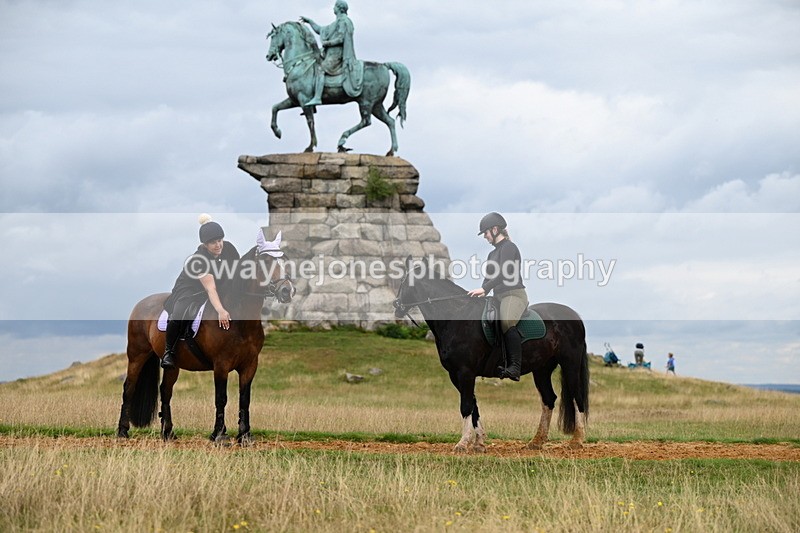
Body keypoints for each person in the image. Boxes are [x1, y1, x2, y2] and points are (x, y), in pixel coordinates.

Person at [160, 214, 240, 369]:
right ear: (204, 244)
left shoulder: (228, 248)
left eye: (220, 240)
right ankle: (169, 351)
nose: (218, 245)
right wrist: (221, 311)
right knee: (180, 311)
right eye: (213, 243)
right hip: (189, 290)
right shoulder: (199, 260)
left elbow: (239, 271)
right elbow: (210, 289)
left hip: (217, 286)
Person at [468, 212, 528, 381]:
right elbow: (488, 278)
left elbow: (506, 272)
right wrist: (481, 292)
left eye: (486, 233)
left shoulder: (509, 247)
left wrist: (485, 288)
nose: (485, 237)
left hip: (513, 295)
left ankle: (515, 367)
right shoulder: (491, 255)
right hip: (497, 296)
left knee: (507, 321)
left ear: (495, 230)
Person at [300, 0, 363, 105]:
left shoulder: (344, 21)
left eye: (334, 6)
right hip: (331, 54)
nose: (333, 8)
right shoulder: (336, 23)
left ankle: (317, 97)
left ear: (339, 8)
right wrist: (310, 21)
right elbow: (320, 30)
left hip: (337, 55)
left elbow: (341, 39)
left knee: (320, 69)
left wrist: (327, 43)